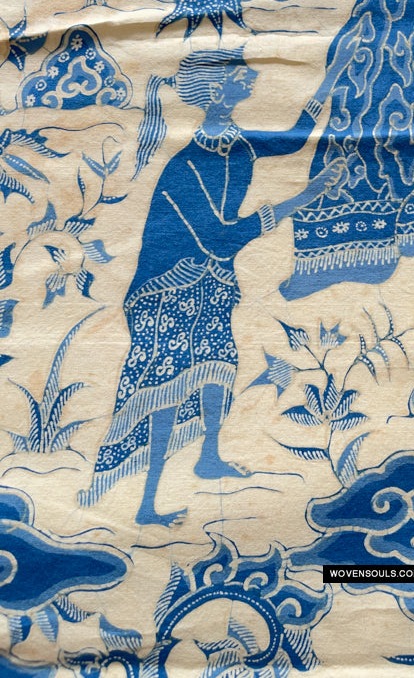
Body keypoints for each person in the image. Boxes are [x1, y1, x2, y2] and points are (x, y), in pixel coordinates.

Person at [78, 49, 344, 526]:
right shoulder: (186, 165)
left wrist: (333, 75)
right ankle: (146, 504)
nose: (252, 74)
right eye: (240, 73)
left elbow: (293, 139)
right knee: (167, 390)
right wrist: (303, 198)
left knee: (219, 368)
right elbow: (221, 236)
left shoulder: (236, 144)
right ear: (216, 90)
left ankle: (208, 457)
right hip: (165, 290)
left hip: (212, 281)